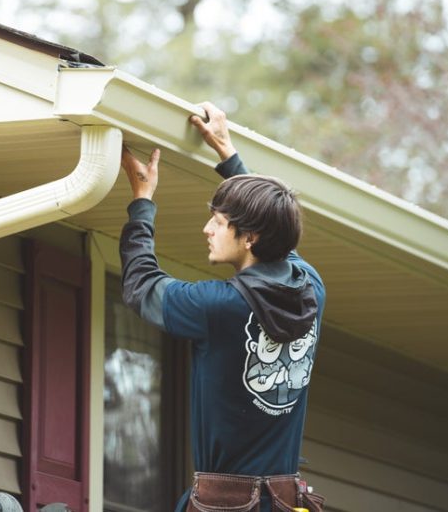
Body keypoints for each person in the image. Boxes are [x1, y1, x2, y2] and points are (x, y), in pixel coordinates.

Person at [119, 102, 326, 512]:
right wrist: (228, 155)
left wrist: (142, 200)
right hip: (285, 502)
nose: (207, 228)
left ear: (249, 236)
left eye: (218, 220)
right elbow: (278, 230)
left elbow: (141, 285)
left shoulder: (219, 307)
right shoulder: (310, 288)